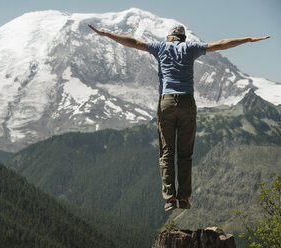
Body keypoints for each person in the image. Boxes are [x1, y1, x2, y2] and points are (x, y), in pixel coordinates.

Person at [88, 24, 270, 211]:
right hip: (187, 103)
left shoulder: (160, 47)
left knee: (166, 154)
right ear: (183, 38)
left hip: (166, 102)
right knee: (185, 154)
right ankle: (183, 198)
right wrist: (247, 39)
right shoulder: (191, 48)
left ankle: (169, 199)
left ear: (169, 37)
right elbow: (221, 44)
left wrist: (106, 33)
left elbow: (133, 42)